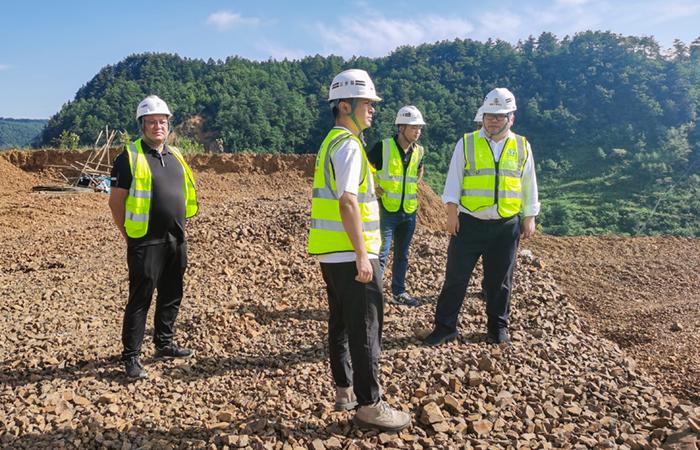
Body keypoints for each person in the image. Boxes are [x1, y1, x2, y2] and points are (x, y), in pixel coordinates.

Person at [308, 69, 411, 431]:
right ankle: (369, 405)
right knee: (366, 329)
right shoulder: (350, 146)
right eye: (367, 103)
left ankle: (345, 390)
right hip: (352, 254)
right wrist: (364, 254)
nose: (372, 110)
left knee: (340, 323)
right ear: (345, 106)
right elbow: (347, 201)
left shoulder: (331, 141)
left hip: (332, 253)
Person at [424, 88, 539, 346]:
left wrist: (530, 215)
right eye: (489, 115)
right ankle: (445, 327)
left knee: (501, 282)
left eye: (499, 116)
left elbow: (528, 182)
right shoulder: (466, 143)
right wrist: (451, 213)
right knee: (456, 278)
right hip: (469, 223)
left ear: (511, 118)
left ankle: (497, 328)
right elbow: (454, 180)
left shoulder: (522, 146)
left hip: (506, 225)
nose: (493, 120)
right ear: (483, 116)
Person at [108, 95, 199, 378]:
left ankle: (164, 343)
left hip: (176, 238)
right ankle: (131, 357)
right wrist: (129, 236)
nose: (158, 126)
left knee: (172, 293)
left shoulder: (176, 155)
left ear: (168, 124)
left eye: (162, 121)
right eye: (152, 122)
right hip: (146, 241)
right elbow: (115, 202)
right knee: (141, 299)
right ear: (142, 125)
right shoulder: (129, 157)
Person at [368, 105, 425, 307]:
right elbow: (365, 167)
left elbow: (419, 169)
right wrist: (373, 187)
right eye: (413, 127)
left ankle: (398, 292)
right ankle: (373, 295)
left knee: (403, 255)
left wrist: (415, 185)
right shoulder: (383, 147)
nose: (417, 132)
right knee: (381, 254)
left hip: (408, 211)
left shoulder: (419, 151)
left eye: (419, 128)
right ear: (401, 127)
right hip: (386, 210)